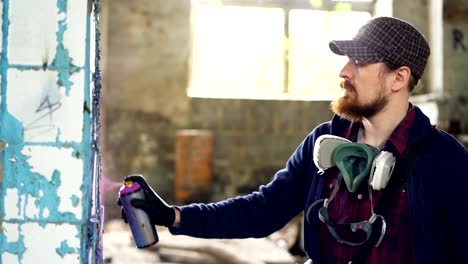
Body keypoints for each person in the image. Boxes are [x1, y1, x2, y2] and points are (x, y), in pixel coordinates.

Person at [118, 16, 468, 263]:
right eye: (347, 60)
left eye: (360, 61)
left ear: (398, 78)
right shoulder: (324, 141)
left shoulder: (445, 161)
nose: (344, 71)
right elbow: (262, 211)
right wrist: (174, 216)